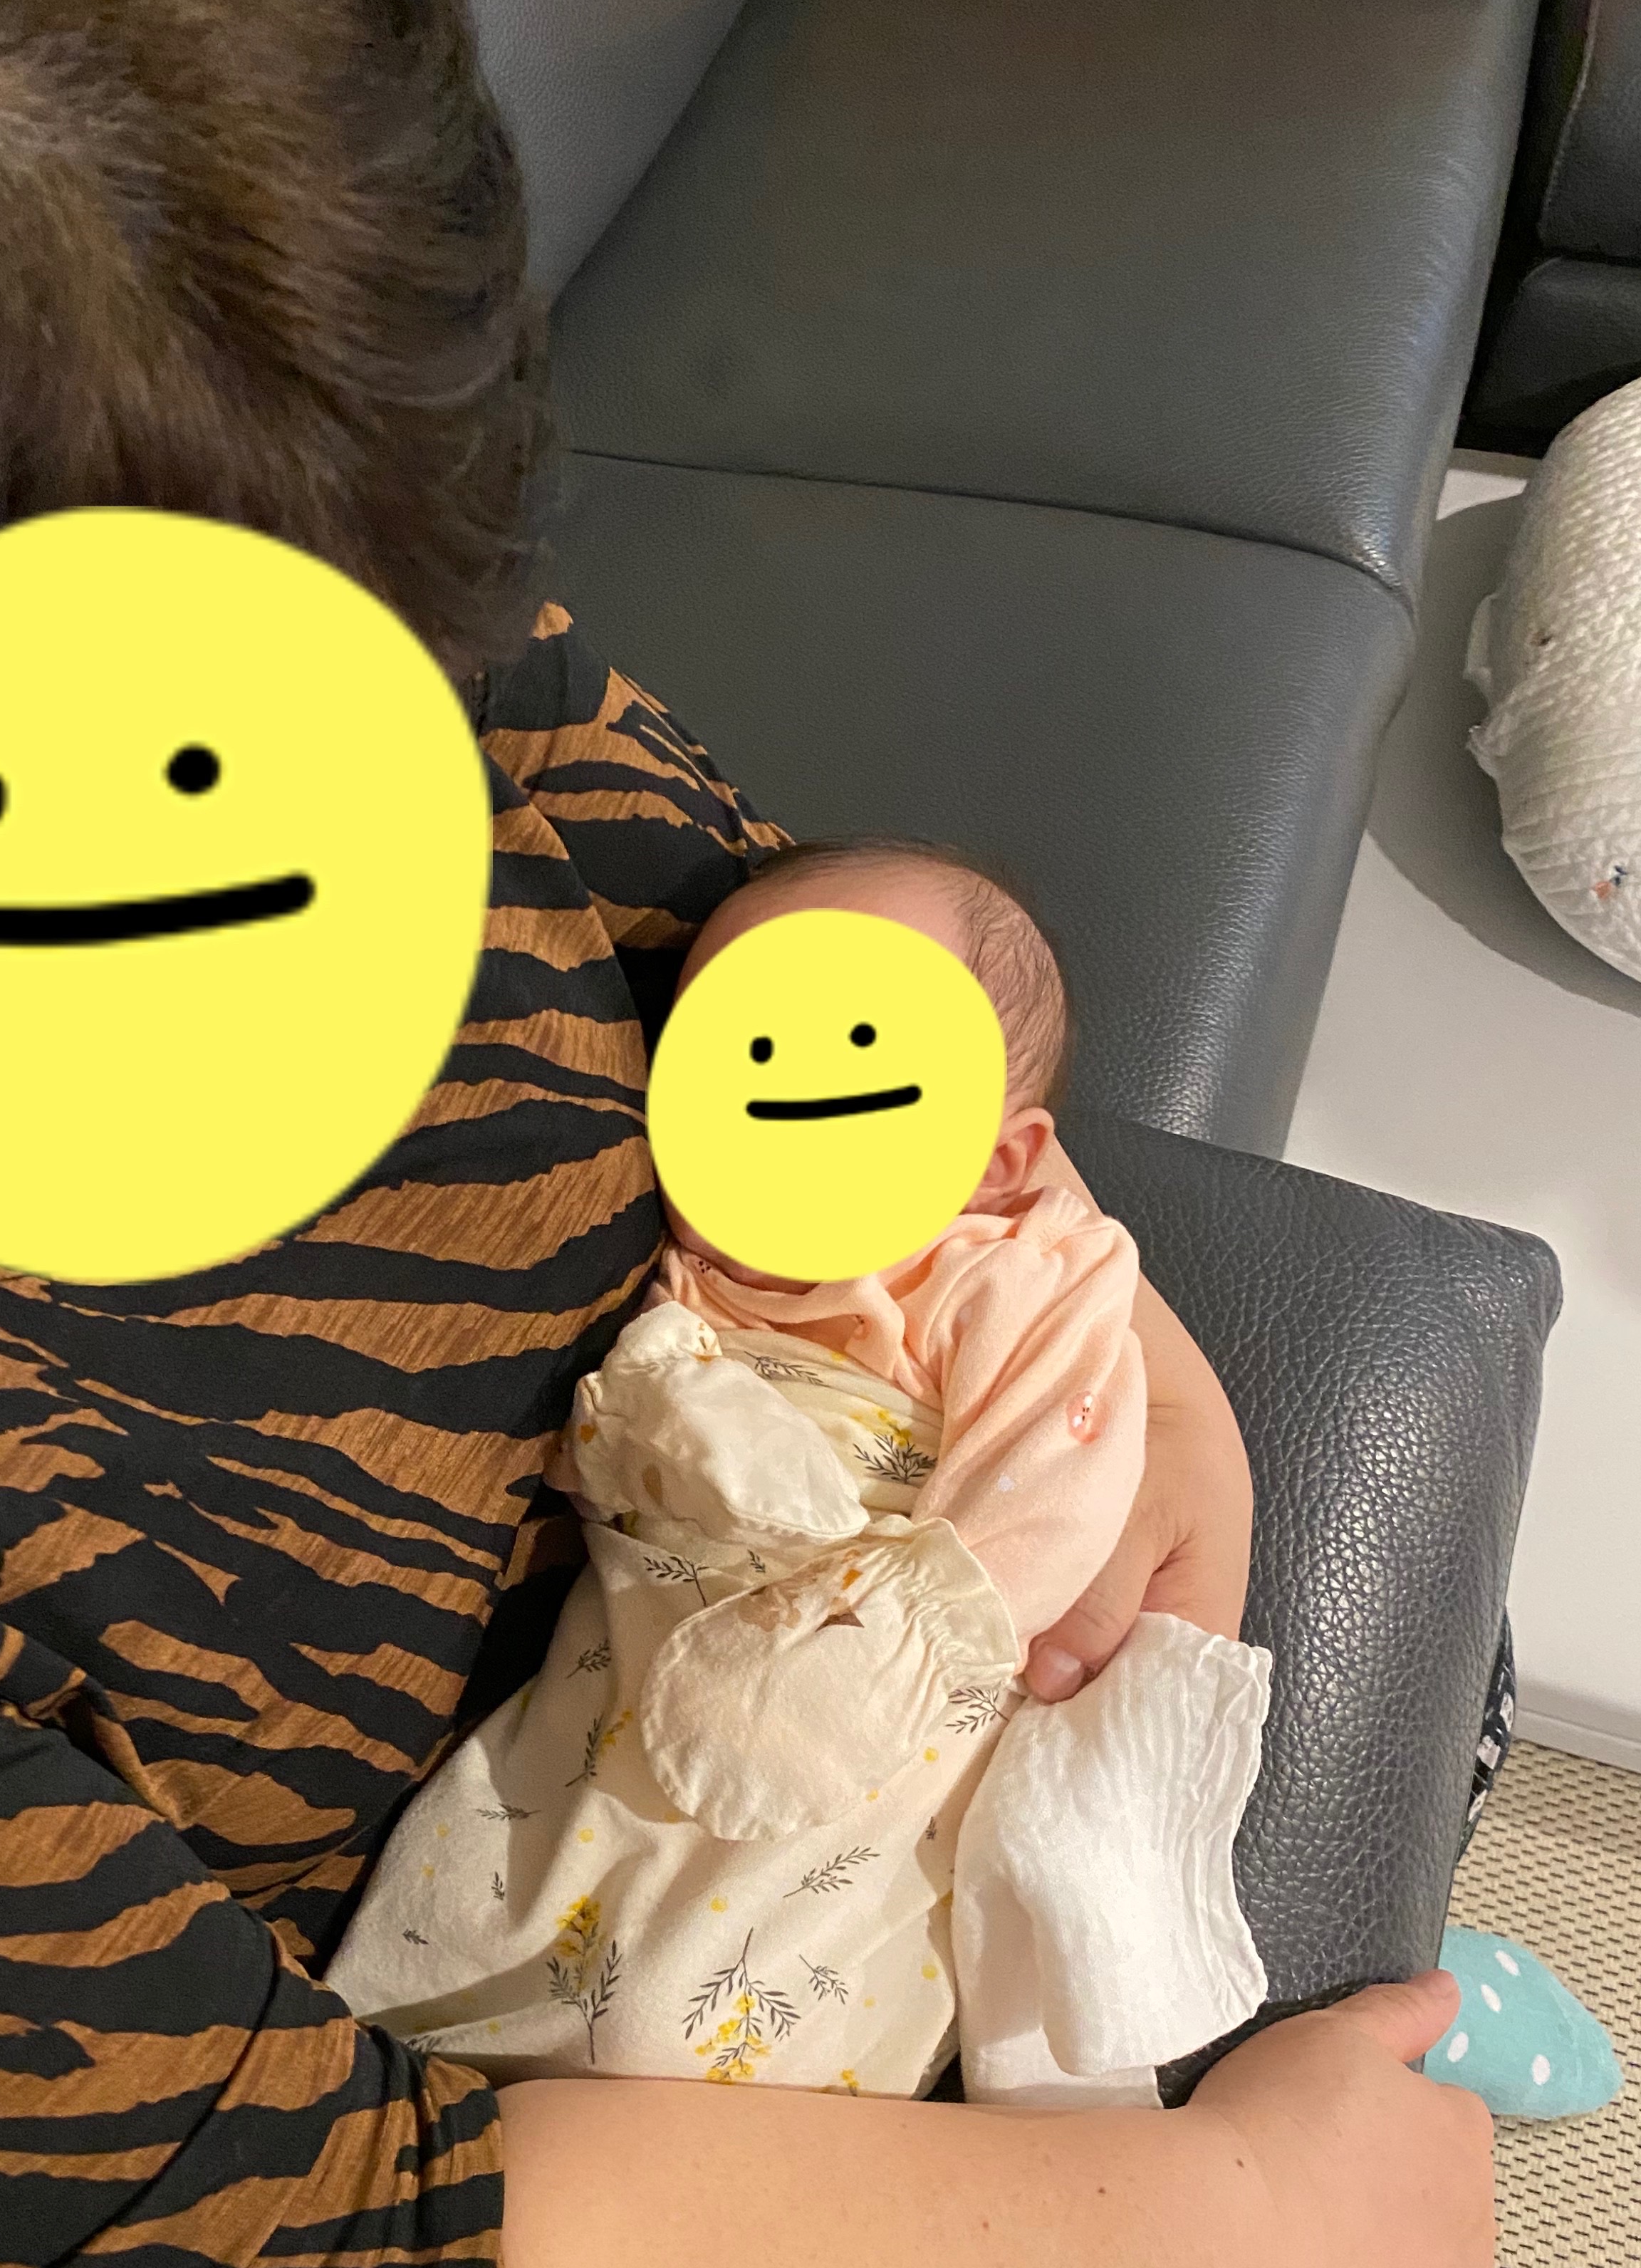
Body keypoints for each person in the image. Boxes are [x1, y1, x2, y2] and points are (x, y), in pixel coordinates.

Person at [0, 0, 1493, 2268]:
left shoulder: (196, 478)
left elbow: (727, 897)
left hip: (865, 1524)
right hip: (578, 2010)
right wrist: (1240, 2246)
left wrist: (1035, 1279)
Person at [328, 838, 1272, 2113]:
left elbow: (1056, 1479)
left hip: (876, 1688)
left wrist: (907, 1627)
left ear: (1000, 1162)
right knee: (504, 1902)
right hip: (624, 1697)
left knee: (706, 1999)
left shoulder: (1008, 1276)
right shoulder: (685, 1273)